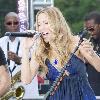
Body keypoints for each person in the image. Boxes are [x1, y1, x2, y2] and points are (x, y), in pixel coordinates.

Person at [21, 7, 100, 100]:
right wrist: (25, 50)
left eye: (46, 23)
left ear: (57, 23)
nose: (42, 28)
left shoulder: (76, 42)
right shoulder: (41, 51)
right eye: (39, 24)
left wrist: (92, 53)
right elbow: (26, 80)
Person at [0, 12, 39, 99]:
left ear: (20, 23)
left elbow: (38, 62)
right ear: (5, 25)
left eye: (16, 22)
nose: (13, 25)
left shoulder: (29, 40)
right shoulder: (0, 42)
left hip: (27, 91)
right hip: (6, 93)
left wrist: (19, 60)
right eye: (9, 23)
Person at [84, 11, 100, 96]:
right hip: (91, 90)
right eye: (87, 29)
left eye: (91, 28)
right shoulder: (90, 42)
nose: (90, 32)